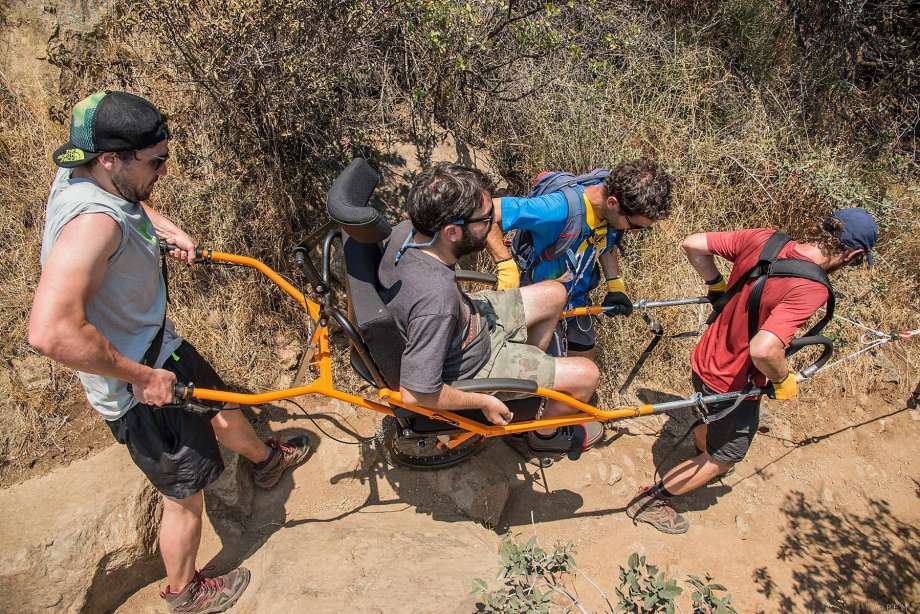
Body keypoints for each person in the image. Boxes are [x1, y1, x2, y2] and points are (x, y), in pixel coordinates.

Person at [28, 91, 310, 613]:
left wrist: (161, 227)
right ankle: (185, 592)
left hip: (161, 345)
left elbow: (125, 197)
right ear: (112, 158)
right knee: (184, 497)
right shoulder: (92, 227)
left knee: (221, 401)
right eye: (156, 162)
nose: (164, 169)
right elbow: (48, 332)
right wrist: (139, 376)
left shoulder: (87, 171)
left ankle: (264, 460)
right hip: (138, 387)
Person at [626, 208, 878, 534]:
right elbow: (764, 349)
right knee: (729, 453)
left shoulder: (765, 239)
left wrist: (715, 284)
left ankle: (703, 450)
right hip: (733, 382)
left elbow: (693, 244)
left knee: (712, 417)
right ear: (854, 254)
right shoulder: (812, 288)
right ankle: (652, 500)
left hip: (704, 358)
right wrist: (782, 379)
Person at [378, 163, 603, 453]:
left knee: (554, 293)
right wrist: (483, 401)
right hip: (473, 363)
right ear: (452, 232)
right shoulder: (437, 299)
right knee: (587, 375)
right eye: (485, 220)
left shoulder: (406, 231)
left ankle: (524, 390)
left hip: (468, 321)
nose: (492, 224)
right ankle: (543, 437)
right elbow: (414, 392)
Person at [484, 159, 673, 359]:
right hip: (539, 301)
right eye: (635, 226)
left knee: (583, 364)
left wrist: (615, 286)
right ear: (612, 203)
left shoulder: (611, 212)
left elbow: (607, 240)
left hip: (576, 301)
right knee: (532, 372)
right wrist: (506, 266)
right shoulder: (559, 208)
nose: (634, 233)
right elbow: (488, 211)